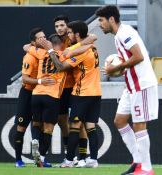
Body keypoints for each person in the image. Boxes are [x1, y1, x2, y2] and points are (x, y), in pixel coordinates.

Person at [95, 5, 158, 175]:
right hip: (131, 86)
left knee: (139, 124)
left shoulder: (125, 33)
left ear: (111, 19)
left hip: (141, 84)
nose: (100, 24)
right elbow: (128, 63)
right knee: (120, 120)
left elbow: (139, 56)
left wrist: (116, 68)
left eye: (101, 20)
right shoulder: (119, 36)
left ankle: (147, 168)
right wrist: (117, 70)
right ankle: (137, 161)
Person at [40, 20, 101, 168]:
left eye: (70, 32)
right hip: (96, 92)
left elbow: (60, 67)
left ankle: (68, 160)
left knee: (74, 126)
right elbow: (92, 39)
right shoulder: (91, 47)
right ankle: (92, 160)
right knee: (91, 126)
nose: (68, 34)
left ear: (77, 34)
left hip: (81, 93)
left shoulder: (80, 53)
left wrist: (50, 51)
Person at [14, 28, 55, 168]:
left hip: (40, 94)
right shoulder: (30, 56)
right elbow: (24, 78)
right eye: (40, 38)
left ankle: (40, 158)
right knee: (21, 127)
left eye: (44, 37)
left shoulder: (46, 54)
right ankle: (18, 160)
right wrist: (39, 81)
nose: (43, 39)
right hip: (27, 93)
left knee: (43, 126)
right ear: (33, 42)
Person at [54, 15, 88, 167]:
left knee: (78, 123)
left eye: (62, 25)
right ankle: (70, 155)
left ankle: (83, 157)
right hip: (60, 89)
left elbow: (92, 37)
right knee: (62, 122)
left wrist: (70, 49)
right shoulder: (53, 41)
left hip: (74, 88)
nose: (60, 28)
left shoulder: (73, 40)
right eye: (57, 26)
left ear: (68, 28)